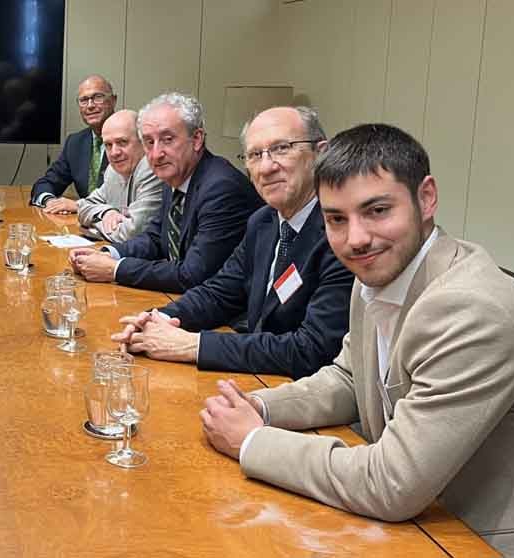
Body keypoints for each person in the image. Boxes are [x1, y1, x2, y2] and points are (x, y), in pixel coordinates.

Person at [199, 123, 514, 555]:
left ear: (427, 198)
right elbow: (348, 379)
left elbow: (393, 483)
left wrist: (253, 441)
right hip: (407, 527)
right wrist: (258, 407)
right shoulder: (378, 271)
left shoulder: (473, 307)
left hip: (472, 540)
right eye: (336, 219)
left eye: (377, 210)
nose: (355, 239)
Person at [111, 107, 354, 378]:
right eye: (255, 155)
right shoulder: (263, 221)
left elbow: (313, 350)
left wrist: (193, 346)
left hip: (302, 391)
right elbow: (221, 292)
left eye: (281, 148)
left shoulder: (344, 233)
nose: (266, 167)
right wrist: (159, 319)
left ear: (320, 153)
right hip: (259, 377)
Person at [68, 92, 262, 293]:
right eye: (149, 142)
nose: (156, 154)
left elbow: (193, 274)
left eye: (167, 140)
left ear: (196, 139)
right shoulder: (175, 175)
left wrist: (115, 269)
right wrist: (108, 253)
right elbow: (155, 238)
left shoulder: (221, 187)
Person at [29, 75, 115, 212]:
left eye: (98, 97)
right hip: (83, 222)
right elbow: (46, 183)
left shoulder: (132, 138)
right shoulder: (75, 143)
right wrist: (50, 201)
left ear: (113, 101)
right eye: (84, 100)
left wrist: (79, 206)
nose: (90, 105)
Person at [76, 110, 163, 242]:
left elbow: (133, 233)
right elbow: (83, 207)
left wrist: (94, 226)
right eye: (108, 145)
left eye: (122, 142)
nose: (114, 152)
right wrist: (106, 213)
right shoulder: (113, 171)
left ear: (143, 142)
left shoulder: (152, 169)